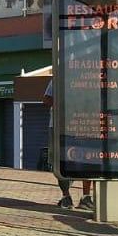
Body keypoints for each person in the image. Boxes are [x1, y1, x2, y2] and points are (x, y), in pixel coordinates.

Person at [45, 80, 94, 211]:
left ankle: (86, 197)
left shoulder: (87, 78)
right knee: (61, 162)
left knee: (87, 159)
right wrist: (65, 105)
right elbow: (46, 100)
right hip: (59, 127)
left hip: (82, 125)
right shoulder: (58, 78)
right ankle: (66, 196)